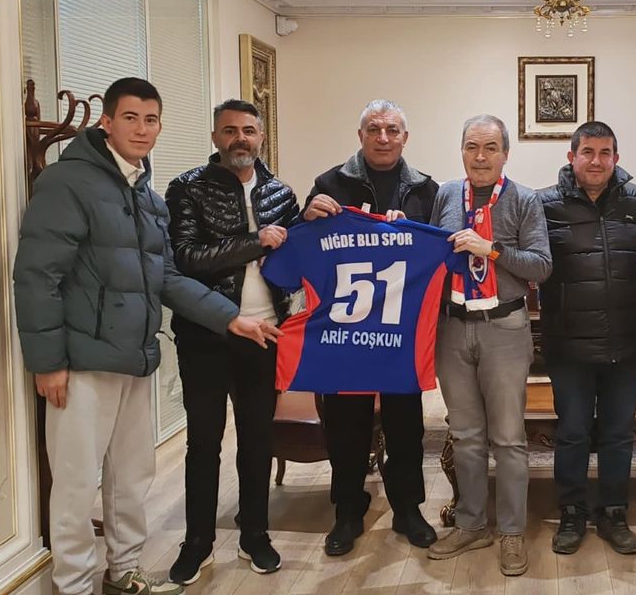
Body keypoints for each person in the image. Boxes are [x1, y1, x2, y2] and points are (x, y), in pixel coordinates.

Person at [13, 78, 279, 595]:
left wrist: (231, 318)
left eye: (151, 119)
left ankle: (123, 571)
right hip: (81, 362)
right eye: (130, 118)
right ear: (107, 122)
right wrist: (47, 362)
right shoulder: (67, 183)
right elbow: (37, 276)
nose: (141, 129)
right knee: (76, 483)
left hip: (136, 358)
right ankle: (73, 585)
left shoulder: (148, 198)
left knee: (131, 477)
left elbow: (167, 278)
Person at [163, 99, 301, 584]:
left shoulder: (281, 193)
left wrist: (313, 220)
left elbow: (297, 250)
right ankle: (197, 543)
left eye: (248, 130)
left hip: (266, 334)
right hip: (206, 334)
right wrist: (254, 242)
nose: (240, 138)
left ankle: (255, 535)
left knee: (258, 440)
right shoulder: (186, 188)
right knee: (203, 442)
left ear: (261, 136)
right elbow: (185, 258)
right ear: (215, 137)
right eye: (229, 130)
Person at [300, 99, 440, 555]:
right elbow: (306, 246)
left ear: (405, 137)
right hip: (346, 330)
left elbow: (438, 250)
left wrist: (411, 230)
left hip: (400, 332)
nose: (383, 137)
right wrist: (307, 215)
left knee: (406, 426)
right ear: (360, 135)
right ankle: (347, 511)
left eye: (392, 129)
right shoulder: (329, 184)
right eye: (374, 129)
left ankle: (408, 509)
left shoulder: (426, 190)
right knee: (346, 428)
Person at [425, 115, 552, 576]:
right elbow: (429, 254)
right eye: (472, 147)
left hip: (505, 327)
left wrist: (490, 249)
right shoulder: (445, 195)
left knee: (509, 437)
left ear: (505, 154)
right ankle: (471, 524)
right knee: (465, 435)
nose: (481, 157)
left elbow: (541, 266)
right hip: (452, 327)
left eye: (491, 148)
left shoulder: (524, 199)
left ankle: (512, 531)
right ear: (461, 150)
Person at [538, 121, 636, 556]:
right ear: (571, 157)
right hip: (569, 344)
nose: (596, 161)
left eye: (605, 153)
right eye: (587, 152)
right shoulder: (544, 203)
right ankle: (572, 513)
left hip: (627, 341)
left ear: (616, 158)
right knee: (572, 432)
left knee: (618, 434)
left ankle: (614, 513)